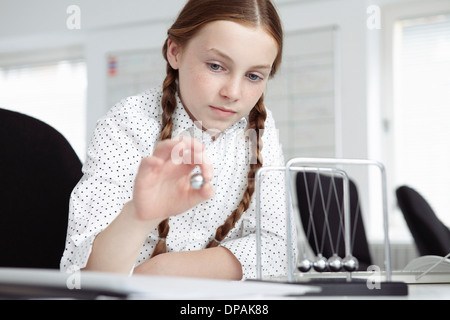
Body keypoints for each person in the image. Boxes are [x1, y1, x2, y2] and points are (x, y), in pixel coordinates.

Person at [60, 0, 295, 280]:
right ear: (175, 52)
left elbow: (281, 251)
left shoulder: (261, 130)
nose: (233, 92)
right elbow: (83, 278)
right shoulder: (128, 123)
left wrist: (160, 269)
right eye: (216, 66)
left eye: (254, 76)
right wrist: (138, 215)